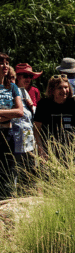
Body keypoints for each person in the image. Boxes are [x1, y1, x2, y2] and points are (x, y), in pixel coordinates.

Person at [33, 74, 75, 160]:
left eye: (66, 87)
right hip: (48, 151)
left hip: (69, 152)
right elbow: (36, 130)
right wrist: (41, 150)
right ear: (52, 90)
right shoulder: (43, 104)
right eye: (59, 88)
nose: (64, 90)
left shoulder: (72, 103)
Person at [0, 57, 24, 198]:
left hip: (8, 133)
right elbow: (14, 112)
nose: (5, 65)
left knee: (8, 172)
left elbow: (20, 112)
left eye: (7, 63)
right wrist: (10, 113)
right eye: (2, 62)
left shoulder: (12, 87)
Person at [8, 67, 35, 191]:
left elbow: (33, 112)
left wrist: (32, 106)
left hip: (28, 135)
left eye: (30, 76)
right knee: (14, 168)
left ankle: (28, 194)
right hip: (13, 135)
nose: (28, 79)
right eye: (25, 76)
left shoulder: (23, 92)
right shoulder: (5, 93)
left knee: (29, 168)